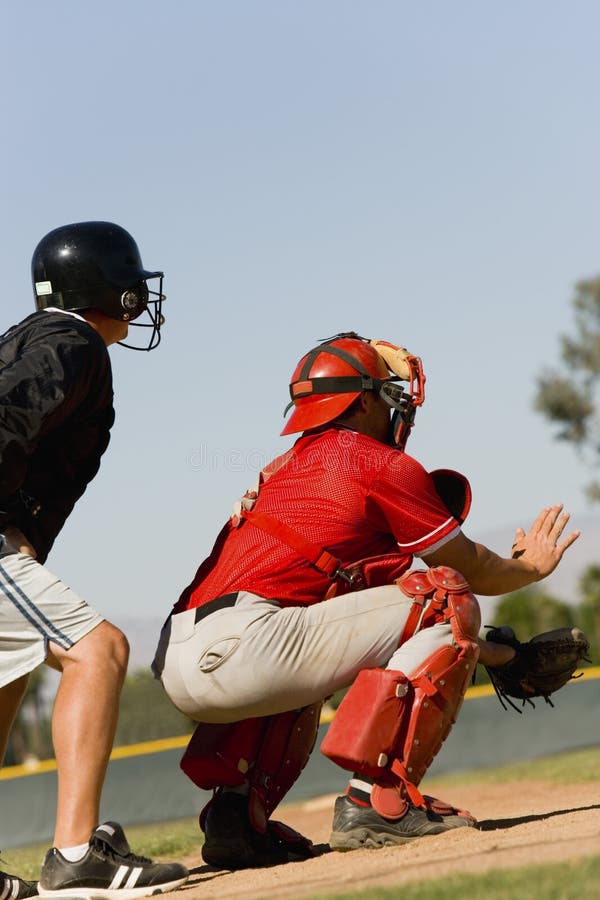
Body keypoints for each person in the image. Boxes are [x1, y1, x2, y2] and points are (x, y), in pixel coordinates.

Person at [152, 331, 579, 868]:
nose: (396, 405)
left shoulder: (285, 469)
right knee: (446, 593)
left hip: (182, 656)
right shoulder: (376, 462)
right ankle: (380, 802)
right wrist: (532, 567)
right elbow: (470, 572)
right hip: (249, 644)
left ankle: (235, 817)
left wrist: (502, 656)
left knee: (309, 636)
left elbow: (376, 635)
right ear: (360, 401)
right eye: (386, 393)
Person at [0, 222, 188, 899]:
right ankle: (78, 857)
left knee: (11, 671)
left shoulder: (32, 338)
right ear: (108, 286)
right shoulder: (71, 340)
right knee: (98, 650)